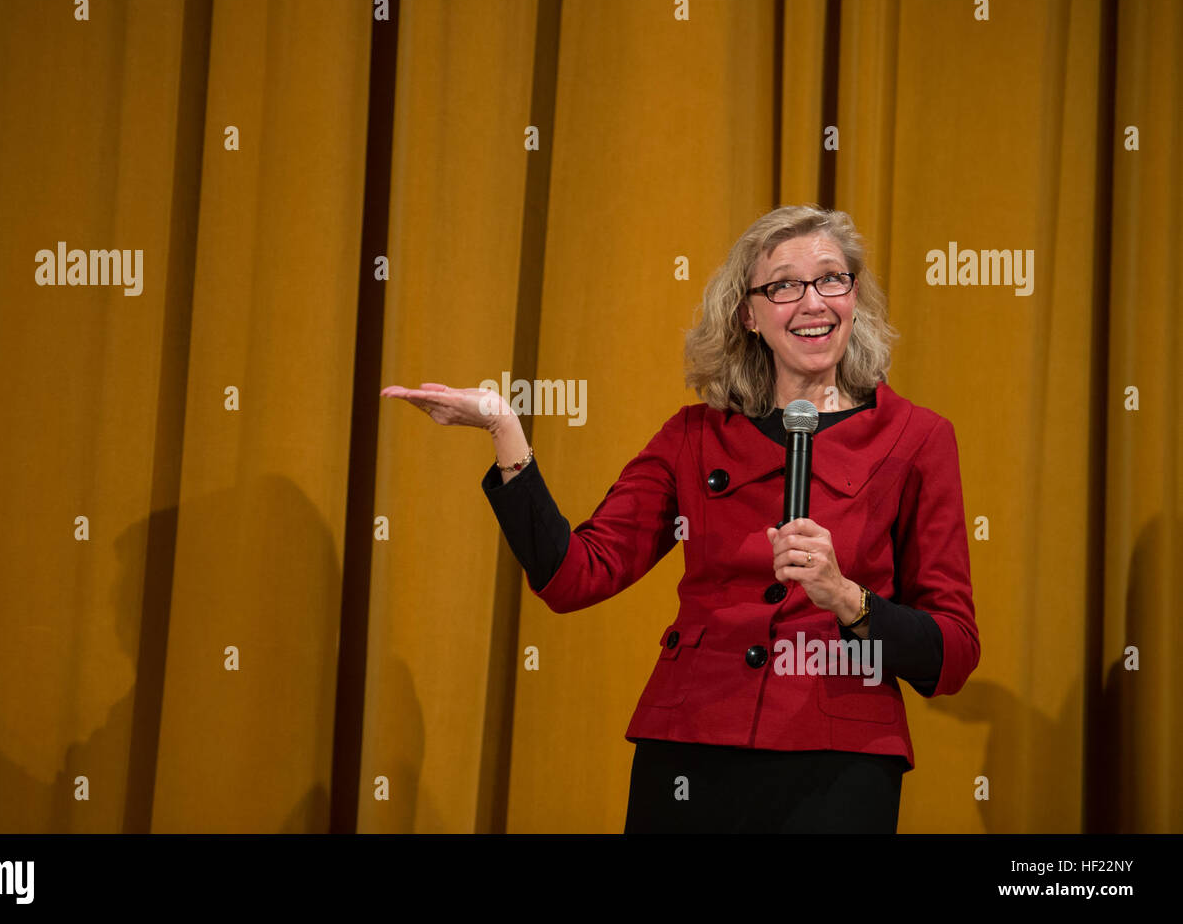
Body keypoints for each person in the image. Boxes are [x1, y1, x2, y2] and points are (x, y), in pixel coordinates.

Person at [381, 204, 980, 833]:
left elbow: (954, 654)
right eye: (783, 285)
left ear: (854, 296)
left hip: (837, 766)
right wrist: (507, 431)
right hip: (692, 749)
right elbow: (574, 577)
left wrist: (849, 599)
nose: (813, 302)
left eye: (832, 279)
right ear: (748, 314)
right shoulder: (692, 436)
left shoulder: (918, 438)